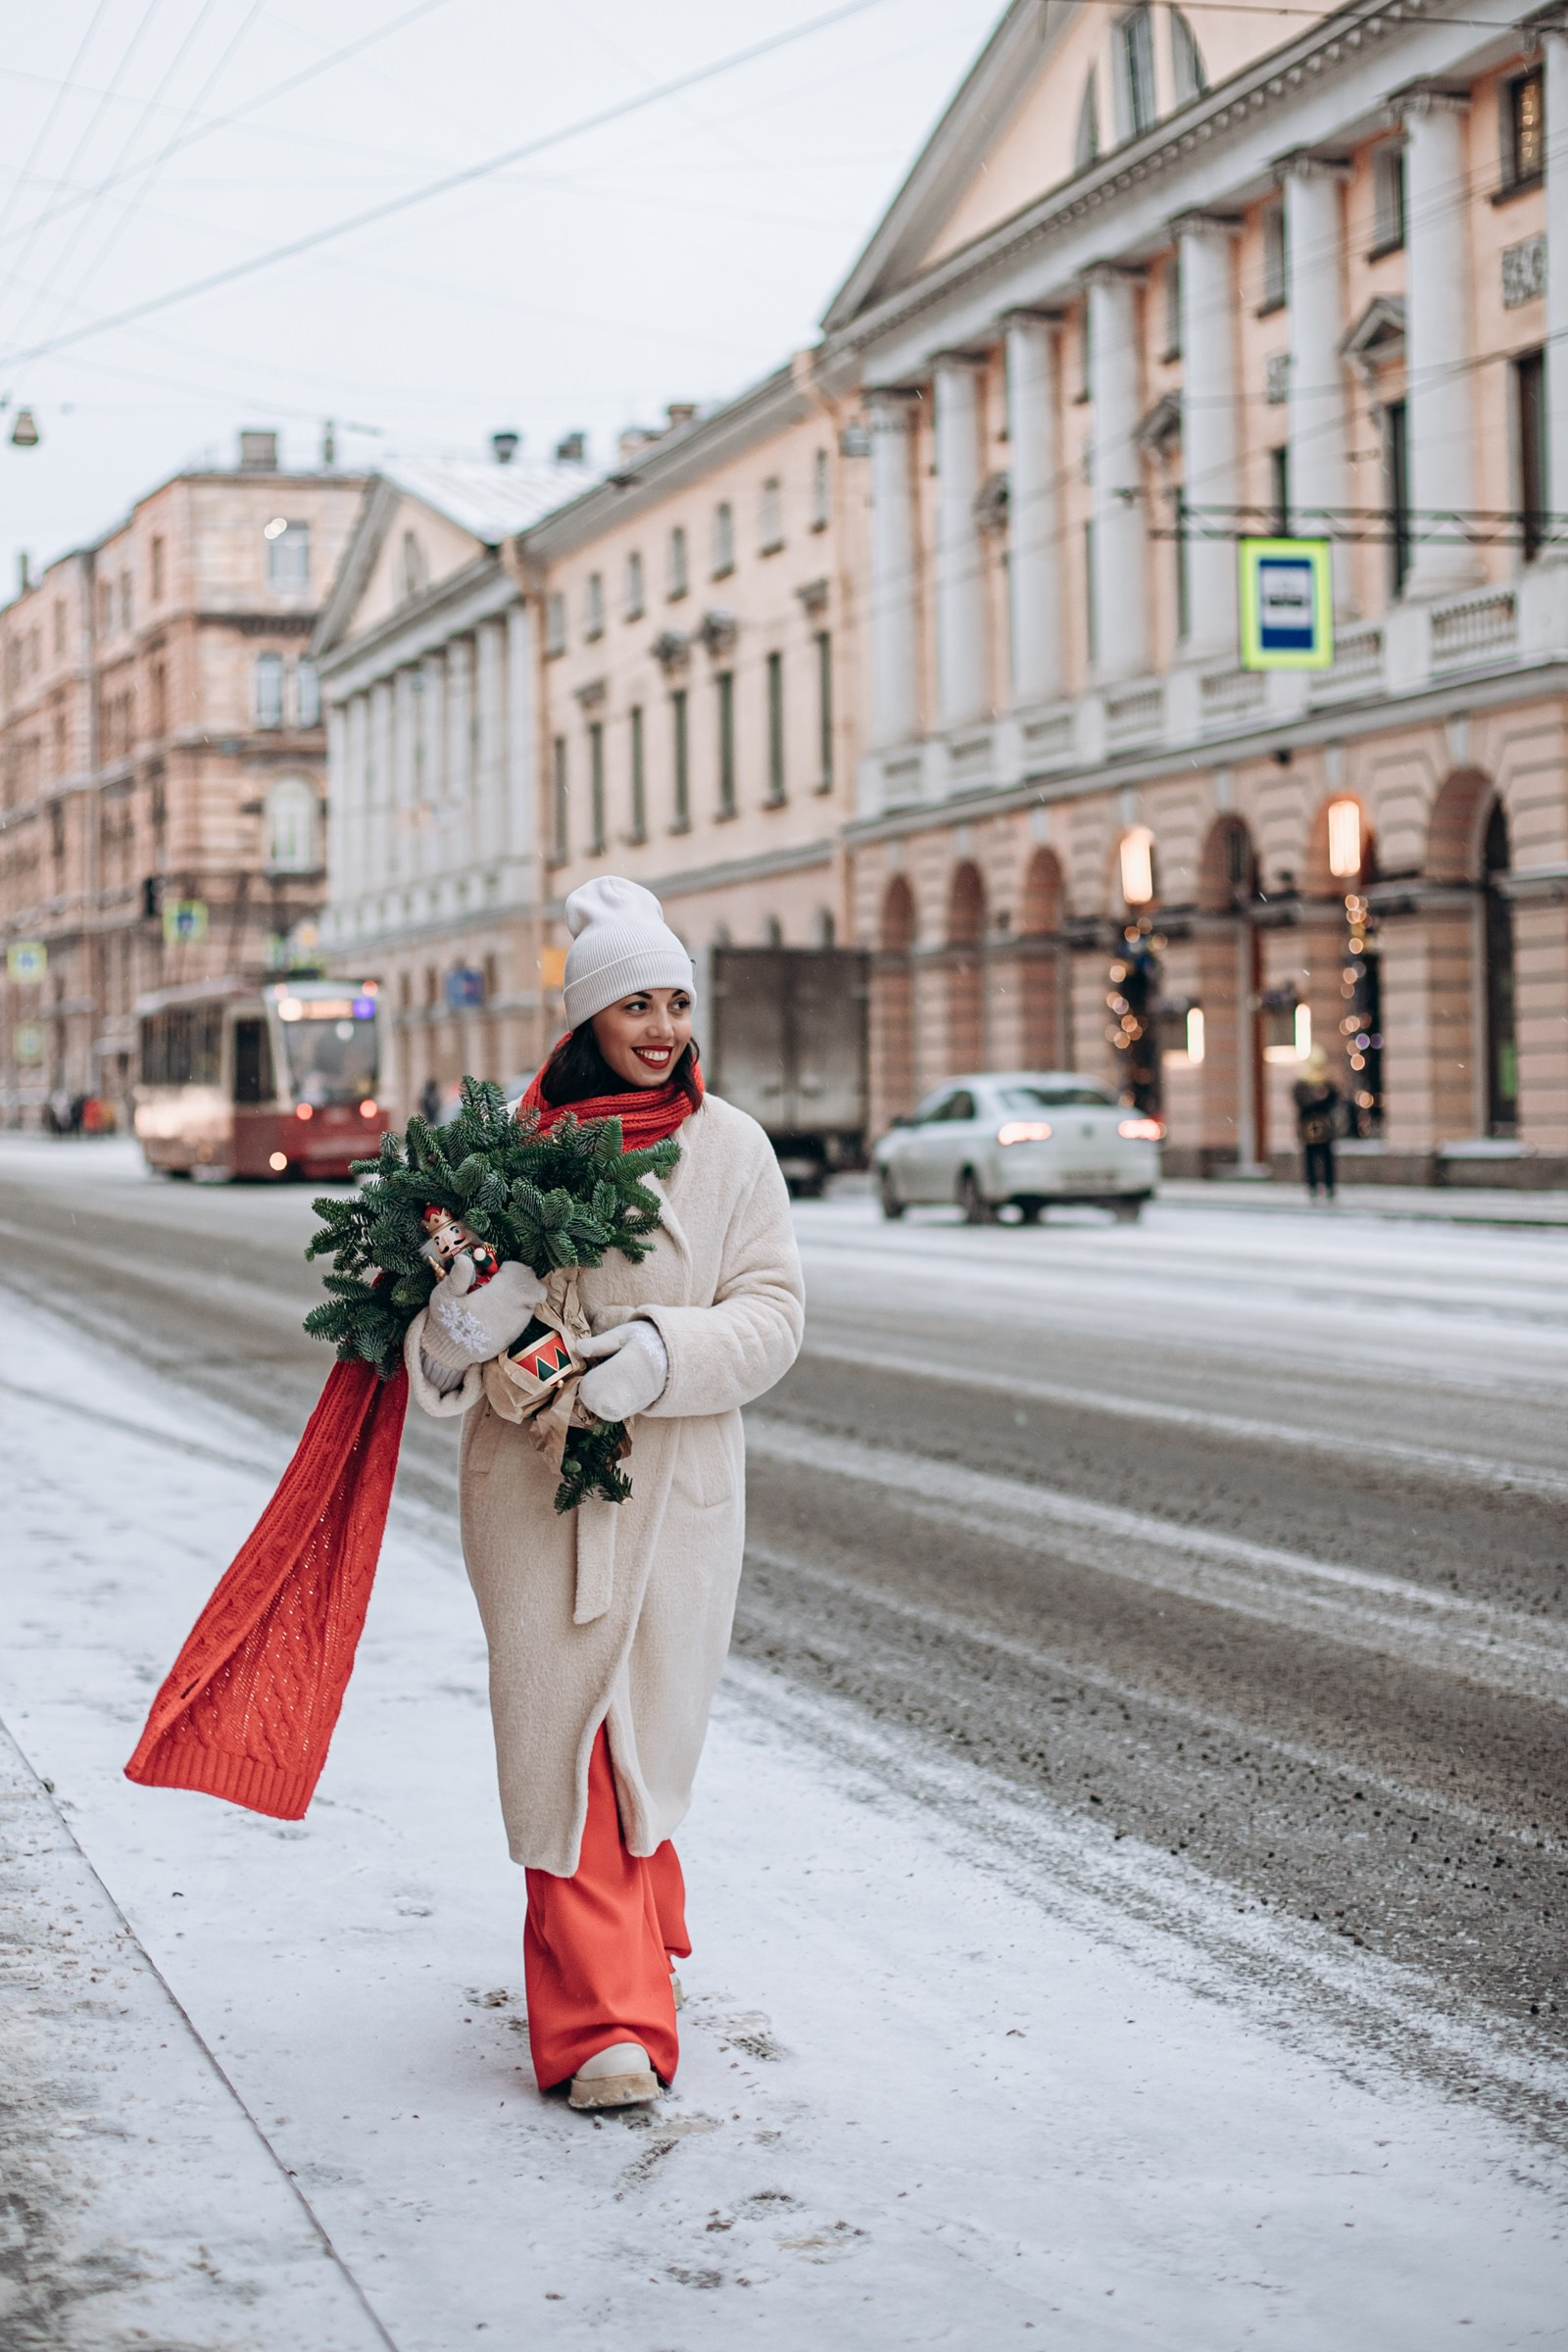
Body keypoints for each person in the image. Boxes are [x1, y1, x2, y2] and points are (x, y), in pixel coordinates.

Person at [403, 876, 804, 2113]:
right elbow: (430, 1355)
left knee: (640, 1748)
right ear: (586, 1019)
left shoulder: (731, 1147)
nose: (663, 1025)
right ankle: (603, 2029)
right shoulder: (504, 1154)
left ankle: (632, 1927)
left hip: (672, 1491)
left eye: (678, 1001)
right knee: (559, 1747)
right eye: (637, 1001)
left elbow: (774, 1315)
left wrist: (661, 1359)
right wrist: (466, 1324)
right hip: (533, 1501)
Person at [1293, 1046, 1343, 1200]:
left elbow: (1334, 1099)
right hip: (1310, 1124)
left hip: (1323, 1125)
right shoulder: (1302, 1083)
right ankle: (1313, 1186)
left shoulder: (1326, 1082)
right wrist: (1315, 1099)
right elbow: (1301, 1101)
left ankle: (1328, 1186)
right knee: (1311, 1157)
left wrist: (1324, 1098)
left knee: (1326, 1156)